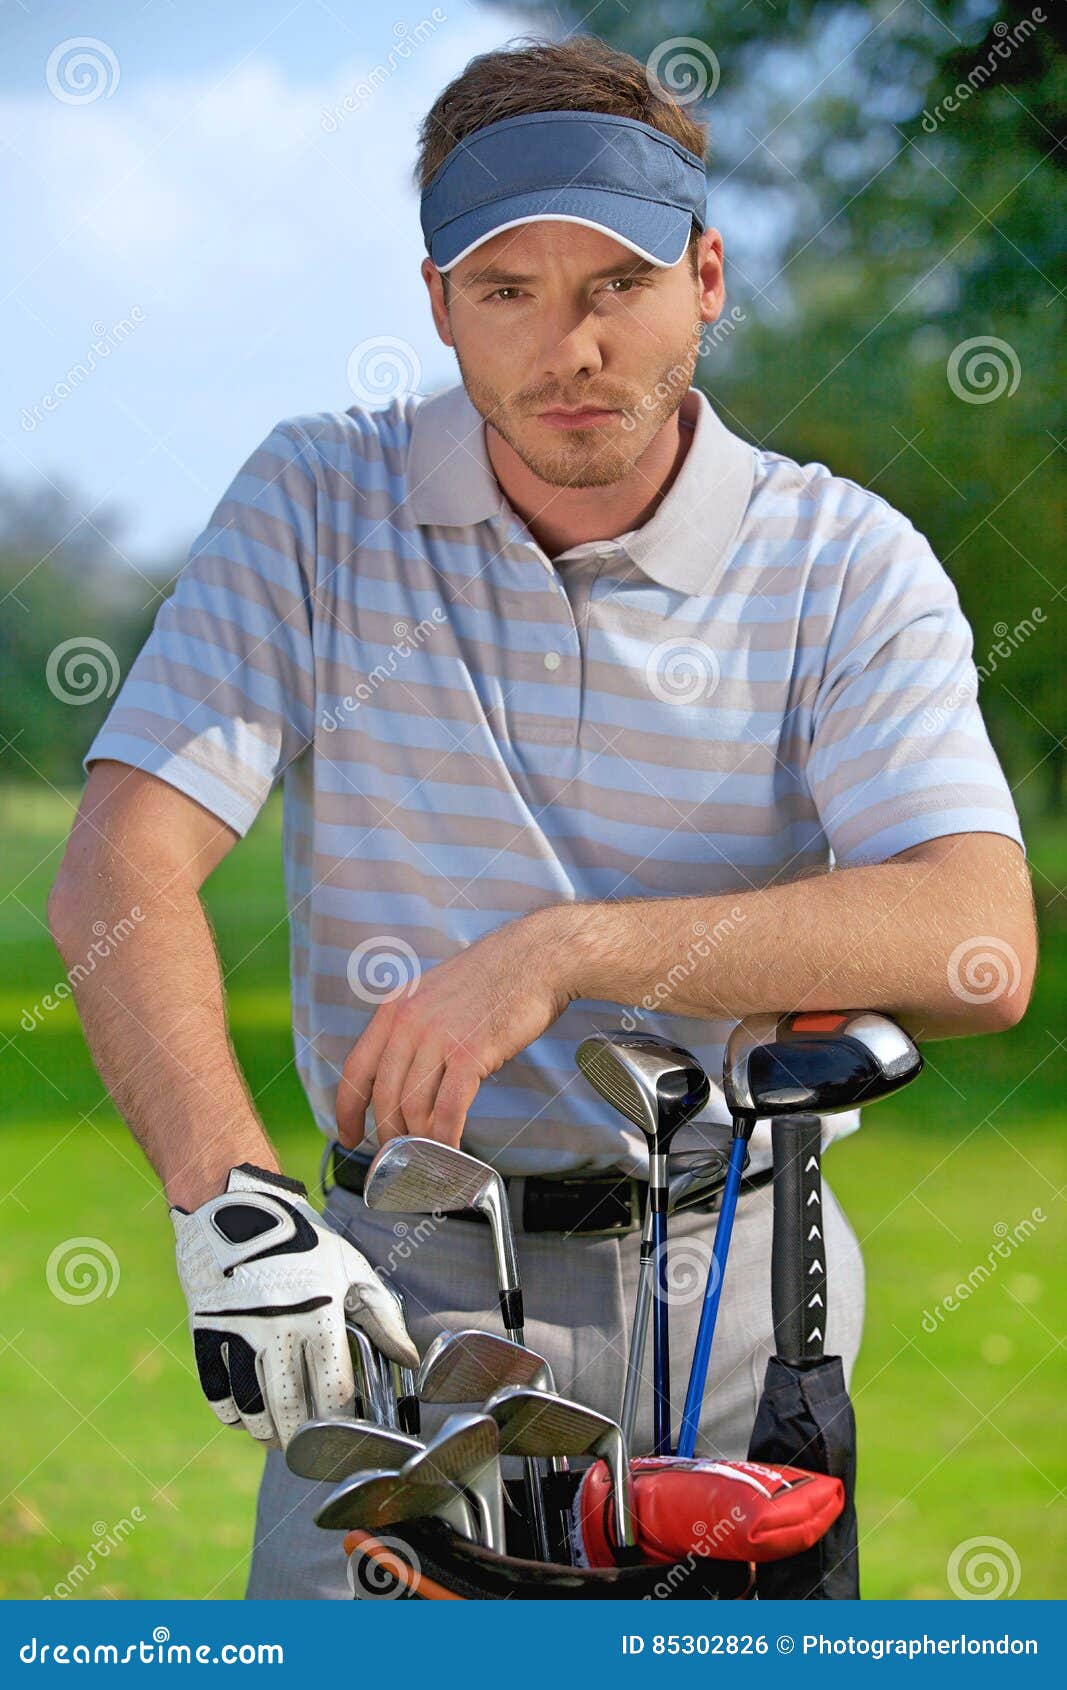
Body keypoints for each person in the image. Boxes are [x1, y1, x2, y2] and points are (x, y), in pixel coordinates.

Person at [48, 36, 1036, 1600]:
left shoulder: (846, 563)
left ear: (706, 278)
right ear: (438, 302)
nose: (568, 348)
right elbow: (122, 867)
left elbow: (980, 944)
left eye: (617, 285)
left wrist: (566, 951)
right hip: (398, 1301)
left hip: (737, 1297)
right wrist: (230, 1198)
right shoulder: (314, 505)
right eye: (508, 289)